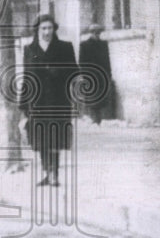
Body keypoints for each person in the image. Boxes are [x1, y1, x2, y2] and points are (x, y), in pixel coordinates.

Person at [20, 14, 79, 187]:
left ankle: (54, 173)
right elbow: (26, 77)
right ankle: (47, 172)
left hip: (58, 100)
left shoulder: (65, 48)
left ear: (54, 29)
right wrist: (23, 105)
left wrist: (58, 72)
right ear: (37, 30)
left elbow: (74, 73)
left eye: (50, 28)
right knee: (40, 139)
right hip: (36, 102)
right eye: (43, 28)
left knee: (55, 137)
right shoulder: (29, 50)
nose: (47, 32)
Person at [79, 23, 115, 124]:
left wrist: (109, 74)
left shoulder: (103, 44)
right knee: (92, 98)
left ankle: (98, 119)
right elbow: (82, 62)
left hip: (102, 75)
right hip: (90, 75)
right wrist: (84, 75)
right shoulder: (84, 45)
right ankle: (95, 119)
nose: (96, 35)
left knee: (101, 98)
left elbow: (107, 61)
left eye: (98, 33)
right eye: (94, 33)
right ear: (90, 33)